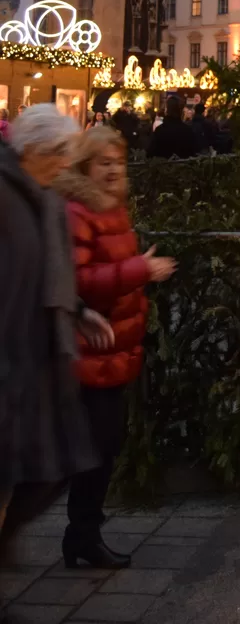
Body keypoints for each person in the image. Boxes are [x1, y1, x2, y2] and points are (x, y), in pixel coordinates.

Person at [54, 126, 176, 568]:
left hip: (111, 351)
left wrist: (138, 272)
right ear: (86, 164)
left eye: (118, 162)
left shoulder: (111, 207)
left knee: (103, 446)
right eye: (104, 162)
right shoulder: (78, 211)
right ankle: (79, 534)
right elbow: (77, 281)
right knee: (93, 447)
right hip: (89, 351)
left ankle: (82, 533)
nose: (112, 170)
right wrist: (138, 271)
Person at [0, 108, 114, 554]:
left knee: (52, 468)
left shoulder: (42, 194)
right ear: (31, 151)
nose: (67, 163)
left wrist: (79, 309)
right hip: (10, 361)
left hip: (36, 358)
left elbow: (51, 270)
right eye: (60, 153)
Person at [146, 95, 198, 159]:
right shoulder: (187, 130)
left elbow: (151, 153)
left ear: (167, 110)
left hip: (163, 167)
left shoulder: (160, 130)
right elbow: (193, 152)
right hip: (183, 167)